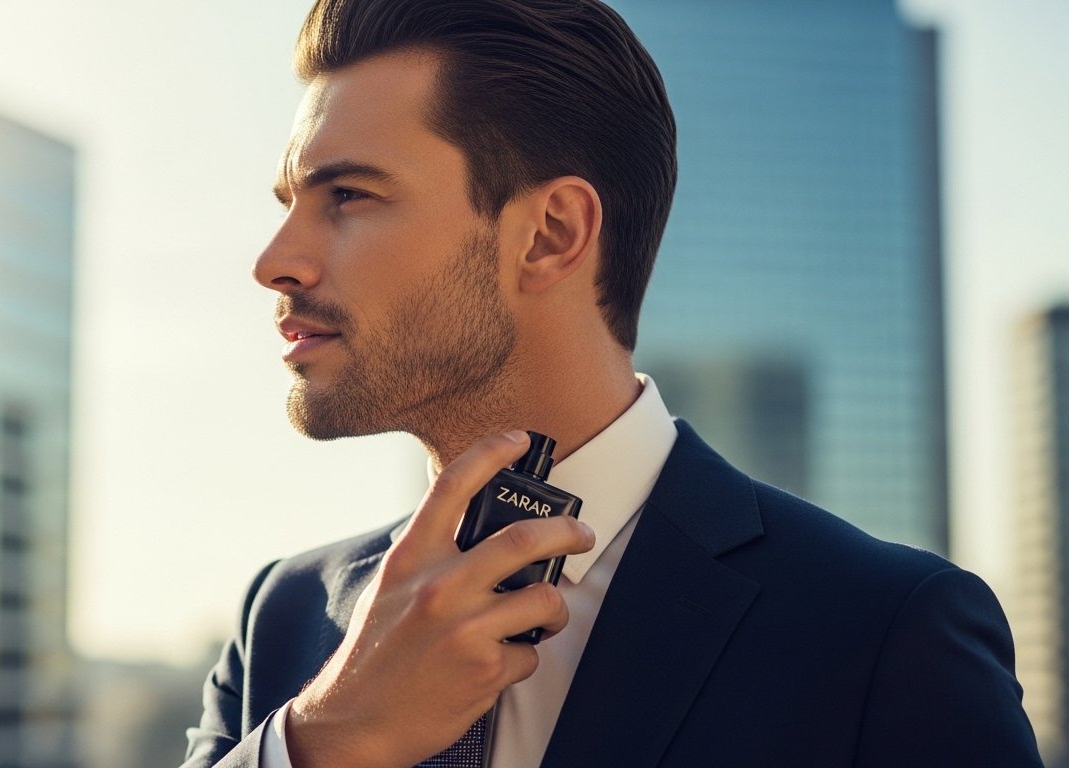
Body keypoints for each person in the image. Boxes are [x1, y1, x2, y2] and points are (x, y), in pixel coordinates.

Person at [182, 1, 1041, 766]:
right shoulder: (283, 618)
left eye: (349, 196)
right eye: (288, 200)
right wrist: (326, 742)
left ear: (551, 234)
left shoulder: (883, 633)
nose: (274, 262)